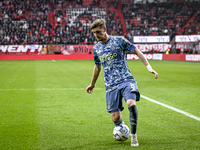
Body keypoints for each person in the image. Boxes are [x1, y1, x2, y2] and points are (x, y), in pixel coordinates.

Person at [86, 19, 158, 147]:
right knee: (115, 118)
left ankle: (134, 137)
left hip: (126, 80)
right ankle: (122, 129)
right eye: (94, 33)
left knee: (131, 104)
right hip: (110, 86)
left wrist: (149, 67)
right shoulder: (96, 49)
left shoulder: (119, 40)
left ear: (105, 29)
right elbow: (97, 67)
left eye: (98, 32)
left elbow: (136, 51)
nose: (96, 35)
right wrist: (92, 84)